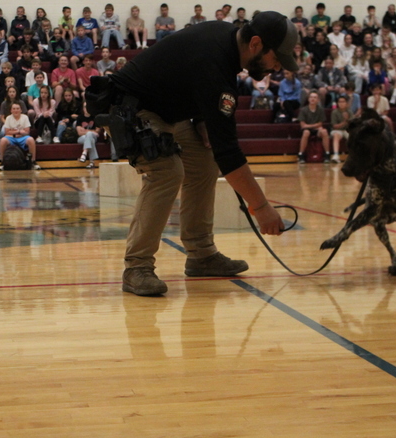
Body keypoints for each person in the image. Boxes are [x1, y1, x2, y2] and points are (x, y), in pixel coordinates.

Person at [105, 11, 292, 295]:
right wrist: (261, 208)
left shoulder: (226, 39)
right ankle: (137, 267)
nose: (275, 67)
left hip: (165, 109)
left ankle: (201, 255)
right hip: (130, 107)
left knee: (203, 162)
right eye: (275, 59)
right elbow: (228, 152)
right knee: (167, 171)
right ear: (256, 44)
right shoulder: (217, 66)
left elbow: (187, 79)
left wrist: (203, 120)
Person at [0, 102, 41, 170]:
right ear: (11, 110)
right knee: (3, 140)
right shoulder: (8, 118)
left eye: (17, 109)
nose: (16, 110)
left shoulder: (25, 117)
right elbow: (7, 132)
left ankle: (33, 161)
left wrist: (14, 131)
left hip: (22, 137)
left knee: (31, 140)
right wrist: (18, 131)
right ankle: (2, 162)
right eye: (14, 109)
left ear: (21, 110)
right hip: (12, 137)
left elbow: (27, 131)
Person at [298, 91, 330, 163]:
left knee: (324, 131)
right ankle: (301, 155)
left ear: (318, 100)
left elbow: (321, 123)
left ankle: (327, 154)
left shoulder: (320, 109)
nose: (313, 99)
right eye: (311, 97)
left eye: (315, 97)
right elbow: (303, 125)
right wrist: (314, 126)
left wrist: (310, 126)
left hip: (316, 130)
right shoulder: (303, 110)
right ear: (308, 99)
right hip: (307, 130)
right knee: (306, 132)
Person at [330, 95, 351, 163]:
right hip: (337, 130)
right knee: (336, 135)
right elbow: (335, 126)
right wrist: (345, 121)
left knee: (353, 135)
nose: (341, 103)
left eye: (343, 102)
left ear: (346, 103)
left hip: (347, 130)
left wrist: (347, 120)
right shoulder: (334, 112)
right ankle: (336, 155)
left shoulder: (349, 112)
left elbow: (353, 124)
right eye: (340, 102)